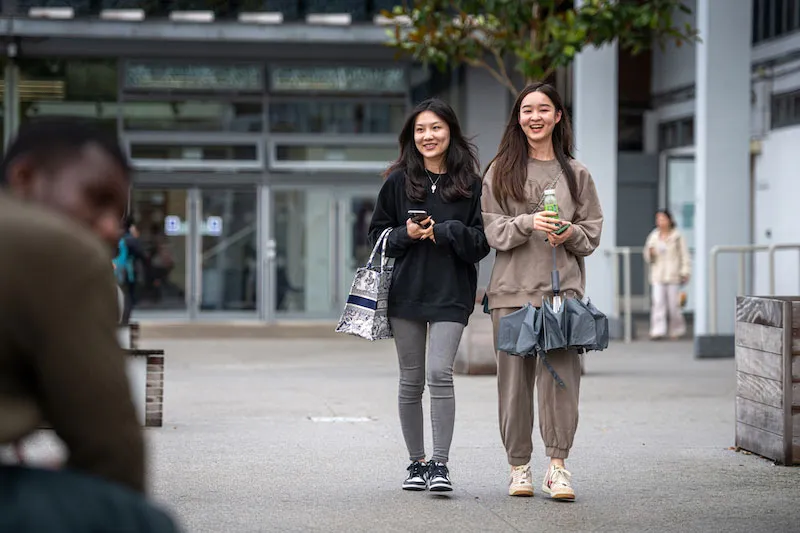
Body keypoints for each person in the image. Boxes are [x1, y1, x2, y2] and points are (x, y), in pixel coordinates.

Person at [0, 118, 179, 532]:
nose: (109, 227)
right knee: (138, 521)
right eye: (96, 199)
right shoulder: (58, 248)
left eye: (118, 213)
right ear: (25, 178)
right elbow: (112, 454)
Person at [481, 82, 603, 500]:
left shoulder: (577, 173)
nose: (535, 116)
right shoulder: (500, 170)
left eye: (544, 109)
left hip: (560, 294)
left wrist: (567, 232)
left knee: (561, 382)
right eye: (527, 110)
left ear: (557, 117)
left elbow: (592, 234)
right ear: (519, 118)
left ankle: (557, 467)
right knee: (514, 387)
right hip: (511, 293)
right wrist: (527, 224)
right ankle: (518, 468)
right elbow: (491, 230)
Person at [368, 98, 490, 492]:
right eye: (420, 130)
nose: (428, 136)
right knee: (411, 380)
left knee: (440, 374)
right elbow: (376, 238)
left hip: (452, 293)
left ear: (449, 131)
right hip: (406, 294)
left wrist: (447, 230)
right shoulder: (397, 181)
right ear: (412, 136)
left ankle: (440, 464)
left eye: (435, 128)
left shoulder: (471, 184)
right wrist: (408, 234)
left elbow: (480, 244)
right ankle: (416, 464)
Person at [644, 209, 691, 340]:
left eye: (662, 219)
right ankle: (657, 330)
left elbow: (684, 255)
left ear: (669, 220)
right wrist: (650, 253)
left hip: (673, 275)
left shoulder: (677, 236)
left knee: (674, 305)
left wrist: (685, 271)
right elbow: (647, 255)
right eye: (658, 219)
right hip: (658, 275)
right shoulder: (654, 236)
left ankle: (676, 330)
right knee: (658, 303)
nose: (660, 222)